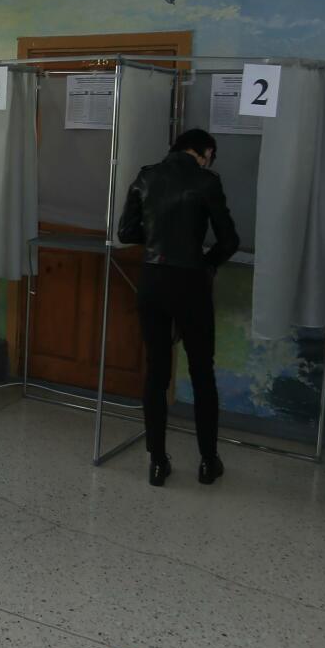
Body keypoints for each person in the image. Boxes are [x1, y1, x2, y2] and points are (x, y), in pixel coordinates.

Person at [116, 128, 240, 488]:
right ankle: (208, 462)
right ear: (206, 152)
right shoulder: (207, 181)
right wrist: (207, 264)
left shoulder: (146, 177)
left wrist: (158, 239)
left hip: (153, 281)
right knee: (202, 373)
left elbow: (126, 232)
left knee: (156, 373)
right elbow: (229, 240)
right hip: (191, 284)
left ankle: (157, 463)